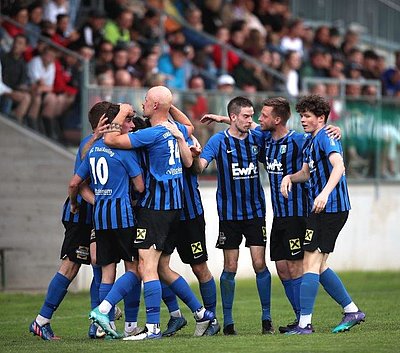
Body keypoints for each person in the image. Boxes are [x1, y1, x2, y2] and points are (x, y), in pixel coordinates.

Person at [100, 86, 214, 340]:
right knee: (160, 266)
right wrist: (167, 105)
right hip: (175, 207)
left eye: (146, 101)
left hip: (156, 208)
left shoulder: (151, 134)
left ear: (153, 107)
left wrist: (121, 113)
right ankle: (200, 313)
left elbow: (110, 140)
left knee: (146, 265)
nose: (141, 104)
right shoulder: (175, 130)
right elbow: (189, 126)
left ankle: (151, 327)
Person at [280, 94, 365, 334]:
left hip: (332, 207)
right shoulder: (310, 141)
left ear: (321, 118)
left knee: (310, 261)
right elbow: (306, 173)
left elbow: (339, 166)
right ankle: (351, 310)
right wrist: (289, 177)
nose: (303, 120)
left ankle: (304, 324)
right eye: (302, 116)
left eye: (307, 116)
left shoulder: (327, 137)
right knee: (318, 264)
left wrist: (325, 193)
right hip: (320, 209)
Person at [192, 96, 274, 335]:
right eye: (247, 116)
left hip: (256, 212)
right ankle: (228, 323)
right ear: (234, 117)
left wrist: (223, 118)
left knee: (260, 264)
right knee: (230, 266)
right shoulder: (218, 140)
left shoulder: (257, 137)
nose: (252, 120)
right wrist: (195, 156)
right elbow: (200, 167)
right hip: (229, 214)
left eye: (252, 115)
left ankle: (266, 319)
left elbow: (274, 133)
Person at [29, 101, 110, 340]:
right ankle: (41, 321)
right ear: (102, 122)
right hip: (81, 215)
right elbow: (78, 183)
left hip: (96, 213)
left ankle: (97, 325)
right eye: (111, 120)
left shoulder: (110, 143)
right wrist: (97, 203)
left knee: (99, 264)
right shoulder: (89, 143)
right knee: (71, 266)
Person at [69, 103, 144, 339]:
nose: (131, 125)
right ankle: (116, 318)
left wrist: (76, 202)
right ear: (117, 123)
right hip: (122, 216)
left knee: (106, 274)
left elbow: (74, 184)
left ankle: (104, 326)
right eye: (128, 120)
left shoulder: (93, 150)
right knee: (136, 270)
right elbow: (140, 186)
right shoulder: (125, 151)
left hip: (100, 218)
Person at [159, 107, 220, 337]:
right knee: (156, 266)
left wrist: (169, 105)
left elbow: (189, 130)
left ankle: (211, 319)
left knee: (199, 267)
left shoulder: (186, 137)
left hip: (190, 214)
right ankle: (176, 316)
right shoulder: (154, 137)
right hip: (165, 214)